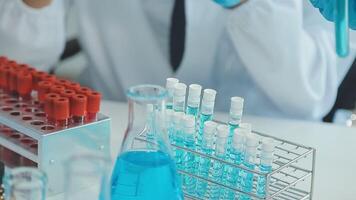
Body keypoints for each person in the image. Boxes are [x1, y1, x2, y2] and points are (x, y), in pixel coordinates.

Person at [0, 0, 355, 121]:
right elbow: (14, 71)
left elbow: (310, 94)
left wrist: (249, 4)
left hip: (260, 153)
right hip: (111, 138)